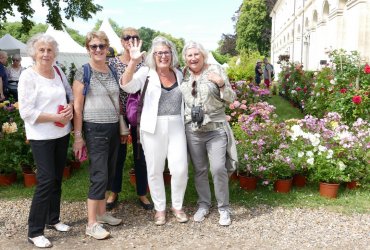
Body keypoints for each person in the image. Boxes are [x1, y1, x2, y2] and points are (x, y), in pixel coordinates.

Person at [120, 36, 188, 226]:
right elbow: (126, 85)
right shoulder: (145, 73)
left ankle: (177, 206)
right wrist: (133, 62)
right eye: (159, 53)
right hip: (152, 126)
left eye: (166, 52)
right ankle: (160, 209)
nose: (163, 56)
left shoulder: (179, 73)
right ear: (153, 55)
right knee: (155, 169)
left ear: (171, 54)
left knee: (180, 169)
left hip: (176, 125)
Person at [18, 33, 74, 248]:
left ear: (55, 53)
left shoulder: (58, 71)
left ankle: (53, 219)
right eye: (41, 50)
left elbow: (69, 94)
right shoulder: (28, 76)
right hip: (41, 136)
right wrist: (55, 117)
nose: (45, 53)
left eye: (49, 50)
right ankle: (35, 230)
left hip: (60, 134)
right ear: (33, 52)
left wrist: (69, 107)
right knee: (47, 180)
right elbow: (27, 112)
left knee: (57, 178)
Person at [180, 41, 237, 226]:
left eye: (196, 54)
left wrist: (221, 84)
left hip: (215, 129)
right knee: (200, 170)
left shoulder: (216, 70)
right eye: (189, 55)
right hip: (193, 130)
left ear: (203, 56)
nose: (193, 58)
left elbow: (231, 98)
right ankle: (204, 204)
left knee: (218, 168)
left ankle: (223, 208)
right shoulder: (183, 74)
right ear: (185, 58)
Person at [73, 31, 122, 240]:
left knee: (109, 172)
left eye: (102, 46)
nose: (98, 50)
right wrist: (77, 136)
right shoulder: (83, 72)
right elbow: (77, 106)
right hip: (94, 128)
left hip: (112, 127)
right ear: (88, 49)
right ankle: (91, 224)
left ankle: (102, 215)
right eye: (94, 46)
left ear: (107, 47)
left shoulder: (111, 69)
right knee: (99, 175)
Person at [107, 27, 153, 211]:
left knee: (141, 155)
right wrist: (119, 118)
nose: (131, 40)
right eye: (127, 37)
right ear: (121, 41)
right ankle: (114, 192)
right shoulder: (113, 63)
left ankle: (142, 192)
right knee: (118, 155)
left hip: (141, 114)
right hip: (120, 113)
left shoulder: (146, 63)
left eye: (135, 37)